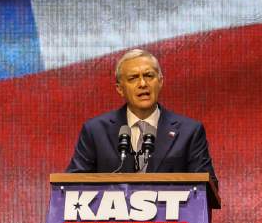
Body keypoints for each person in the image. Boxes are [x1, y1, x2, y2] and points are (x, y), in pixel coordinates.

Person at [66, 49, 217, 187]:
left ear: (160, 81)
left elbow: (207, 189)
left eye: (149, 76)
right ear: (120, 88)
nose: (143, 84)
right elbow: (72, 185)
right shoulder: (95, 131)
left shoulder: (189, 132)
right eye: (133, 78)